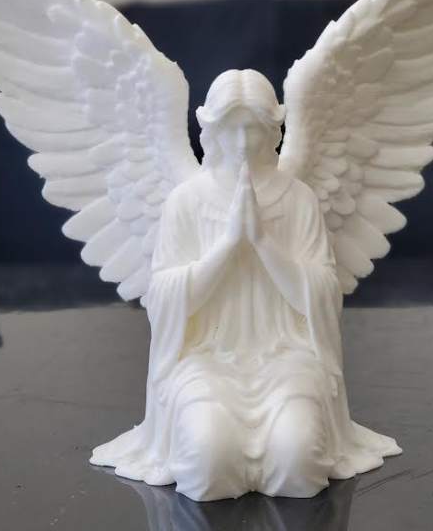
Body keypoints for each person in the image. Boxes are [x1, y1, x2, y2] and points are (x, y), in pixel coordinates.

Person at [90, 69, 401, 501]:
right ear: (212, 131)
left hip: (286, 356)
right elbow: (163, 297)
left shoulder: (297, 198)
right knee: (207, 462)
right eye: (230, 129)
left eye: (253, 129)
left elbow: (322, 292)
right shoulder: (187, 201)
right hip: (205, 358)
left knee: (297, 462)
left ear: (272, 131)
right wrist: (228, 245)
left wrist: (262, 242)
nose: (241, 143)